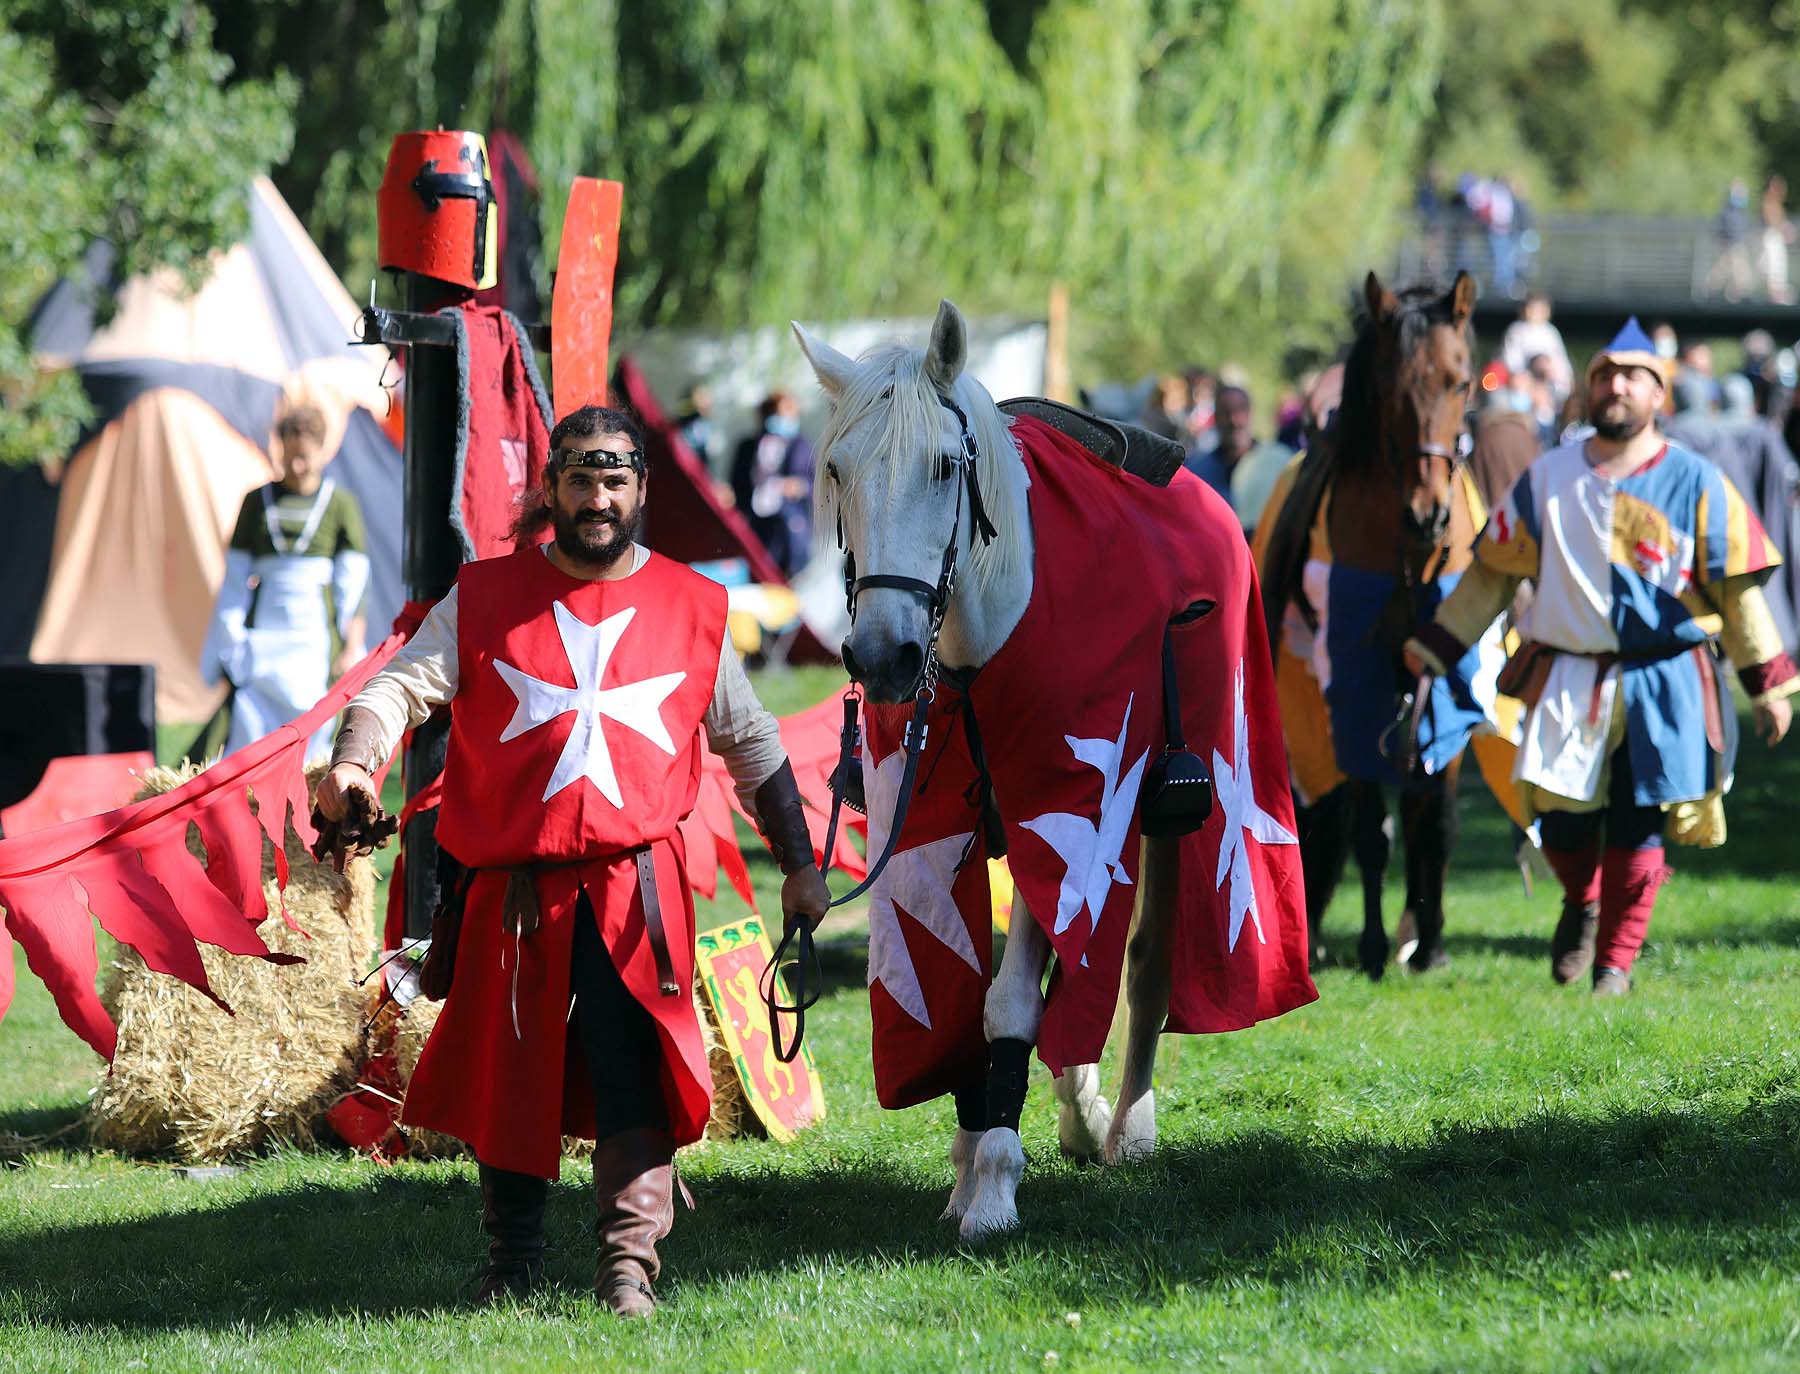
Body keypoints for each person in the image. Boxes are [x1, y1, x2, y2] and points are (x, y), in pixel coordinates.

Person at [313, 404, 830, 1313]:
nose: (598, 498)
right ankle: (511, 1259)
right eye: (581, 479)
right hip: (520, 889)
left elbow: (750, 742)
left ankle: (629, 1265)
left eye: (615, 479)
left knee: (632, 1060)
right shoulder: (483, 597)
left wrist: (797, 861)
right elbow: (398, 685)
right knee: (514, 1073)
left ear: (641, 488)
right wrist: (356, 762)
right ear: (551, 486)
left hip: (639, 891)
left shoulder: (695, 606)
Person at [1405, 318, 1795, 996]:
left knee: (1644, 818)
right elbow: (1491, 577)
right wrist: (1436, 647)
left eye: (1632, 376)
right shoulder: (1544, 478)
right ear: (1588, 390)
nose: (1616, 386)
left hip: (1665, 677)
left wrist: (1768, 684)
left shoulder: (1699, 480)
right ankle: (1581, 901)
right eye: (1604, 375)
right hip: (1569, 675)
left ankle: (1614, 962)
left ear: (1658, 393)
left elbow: (1735, 592)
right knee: (1562, 820)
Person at [200, 403, 369, 760]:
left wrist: (351, 644)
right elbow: (234, 578)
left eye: (304, 457)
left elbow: (354, 583)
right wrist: (231, 637)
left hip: (314, 640)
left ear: (322, 452)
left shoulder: (339, 504)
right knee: (250, 723)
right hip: (264, 636)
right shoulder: (256, 501)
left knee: (313, 726)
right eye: (289, 456)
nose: (295, 466)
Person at [730, 391, 815, 577]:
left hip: (790, 530)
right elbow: (737, 485)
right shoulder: (747, 446)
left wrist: (798, 486)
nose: (786, 419)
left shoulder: (801, 445)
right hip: (756, 524)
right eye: (779, 414)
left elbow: (816, 485)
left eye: (790, 414)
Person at [1501, 293, 1573, 408]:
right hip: (1525, 378)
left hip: (1549, 382)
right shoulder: (1516, 330)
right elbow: (1511, 361)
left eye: (1540, 308)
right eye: (1532, 308)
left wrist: (1561, 377)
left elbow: (1561, 360)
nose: (1536, 312)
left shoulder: (1550, 332)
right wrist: (1529, 380)